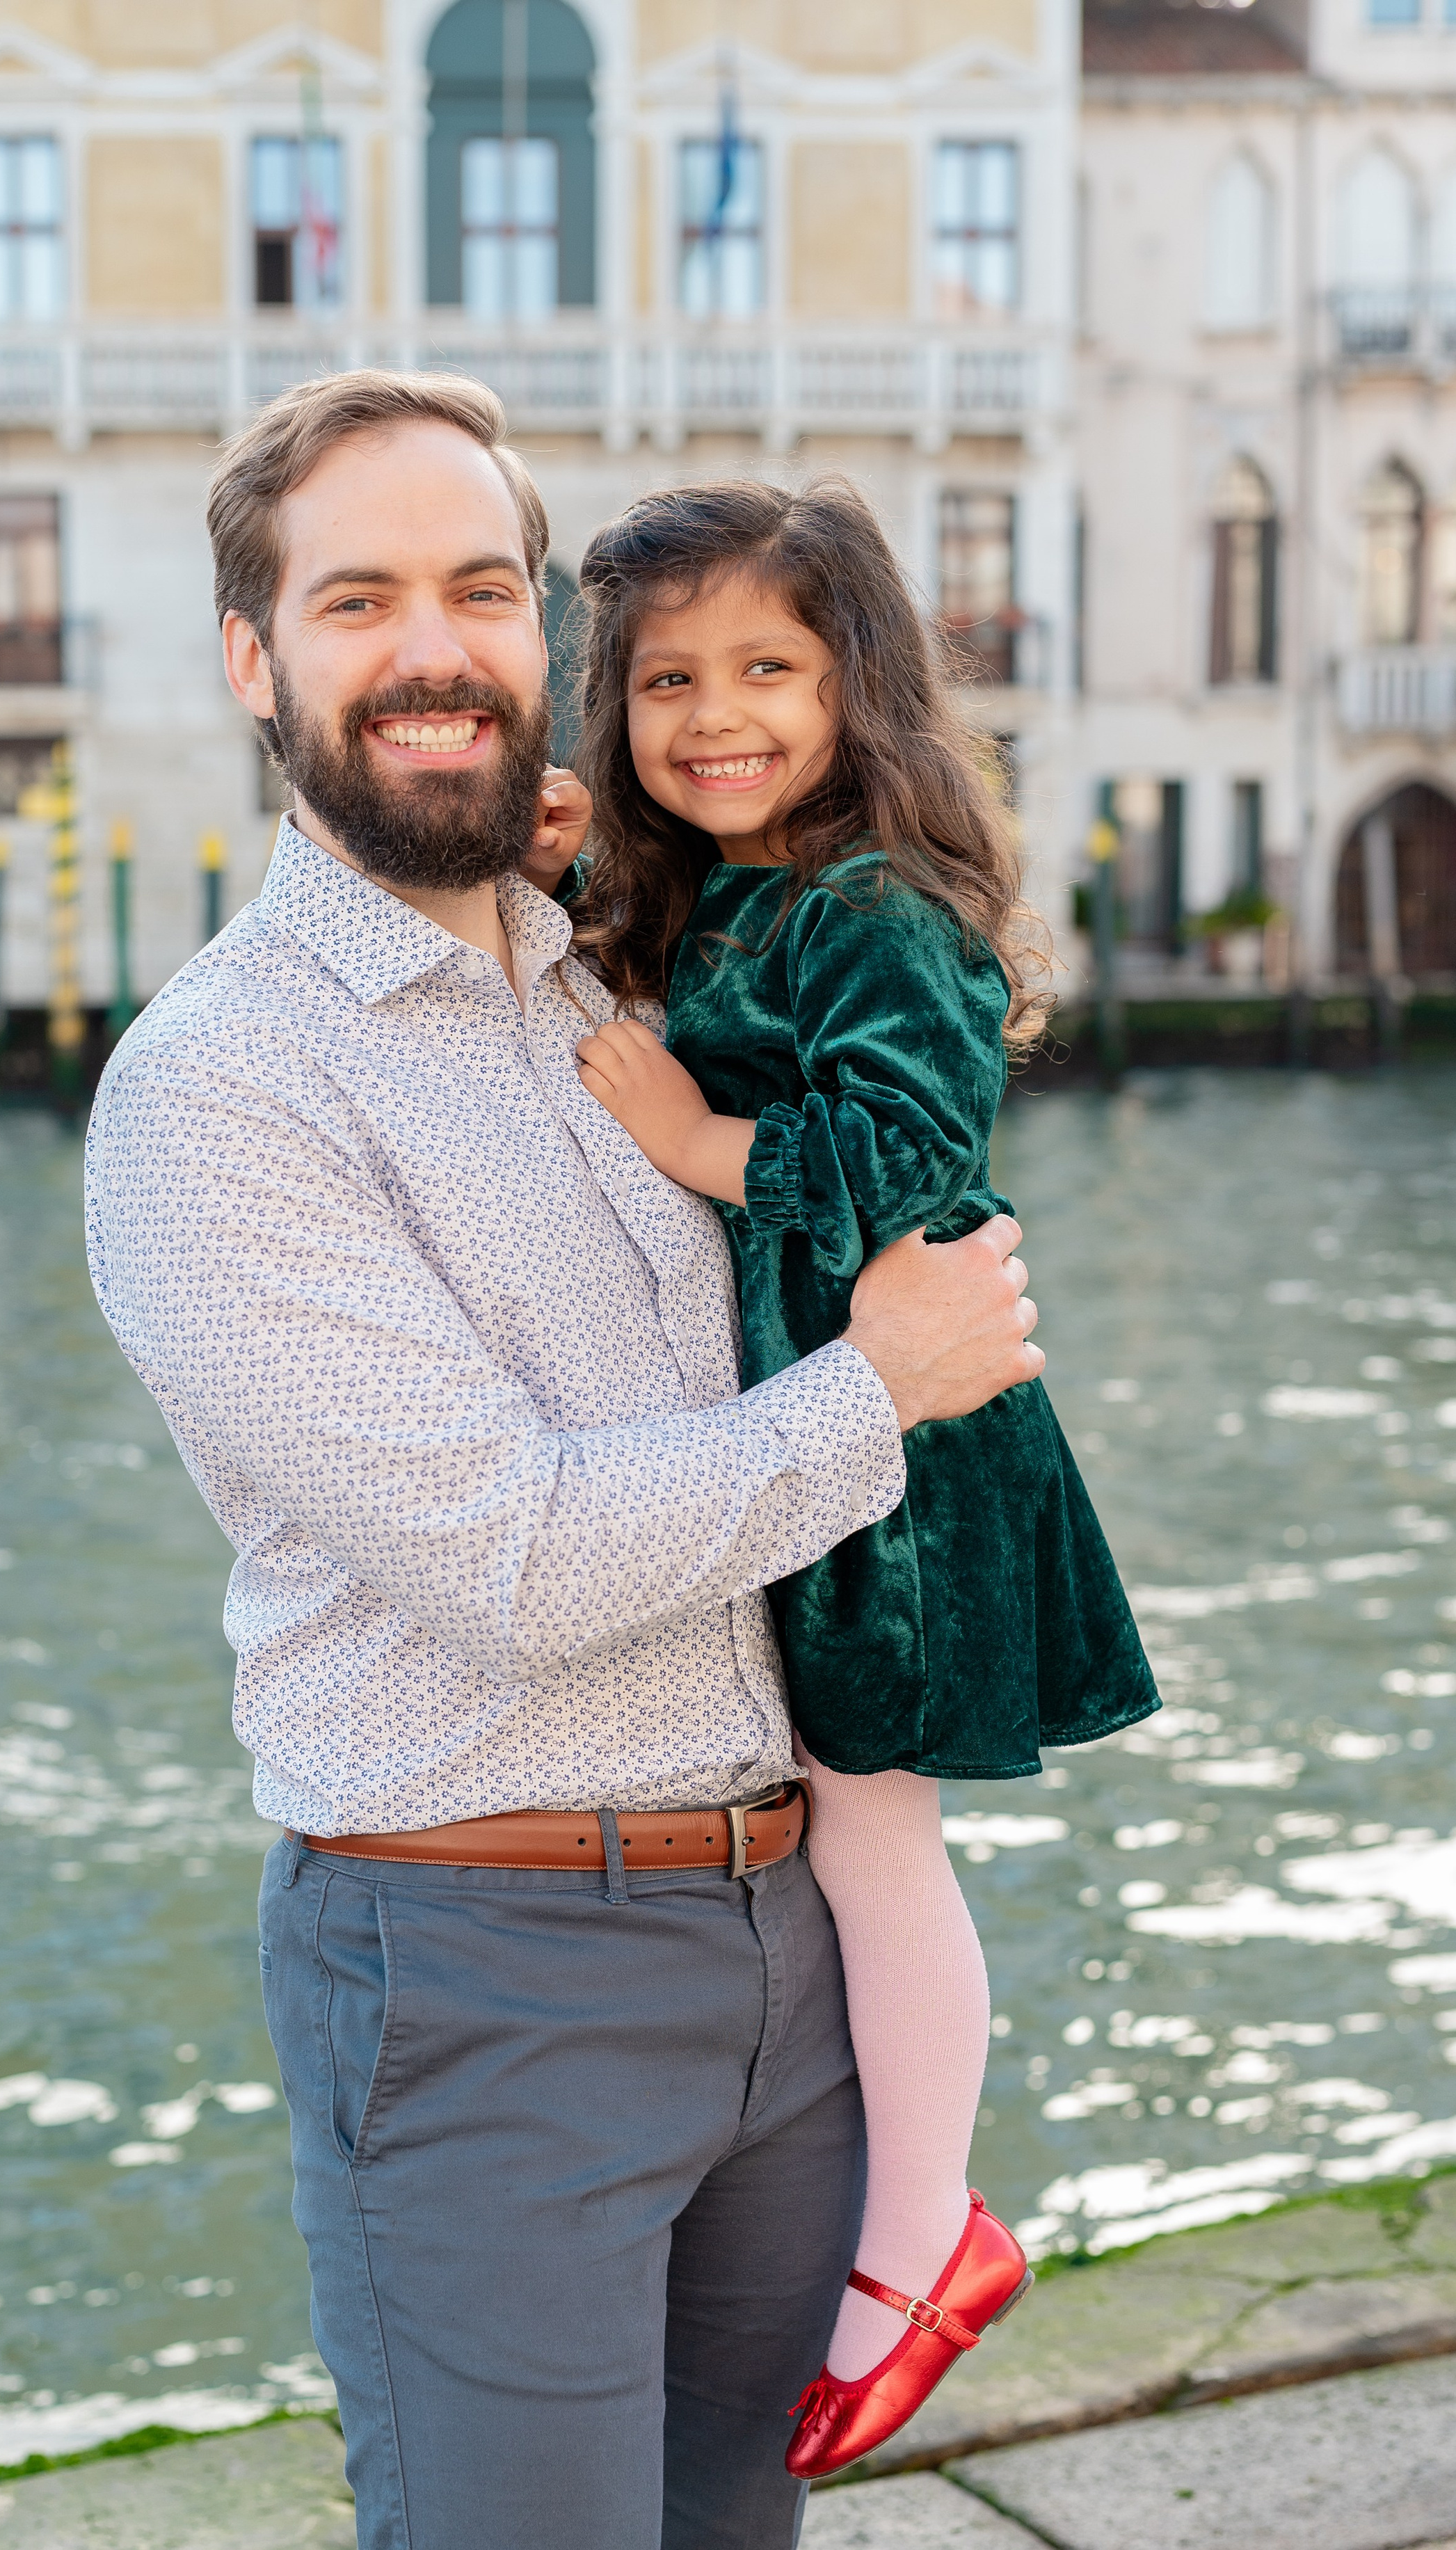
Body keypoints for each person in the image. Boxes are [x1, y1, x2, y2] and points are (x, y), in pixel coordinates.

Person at [83, 372, 1043, 2550]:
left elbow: (870, 1092)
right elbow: (505, 1559)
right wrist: (884, 1381)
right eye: (358, 598)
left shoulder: (622, 967)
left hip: (784, 1948)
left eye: (483, 588)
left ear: (543, 644)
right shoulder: (217, 1090)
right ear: (257, 657)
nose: (435, 646)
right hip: (483, 1976)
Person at [524, 476, 1159, 2480]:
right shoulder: (742, 892)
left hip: (910, 1458)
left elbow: (898, 1162)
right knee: (844, 1832)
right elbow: (688, 972)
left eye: (768, 670)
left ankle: (926, 2238)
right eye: (664, 682)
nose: (716, 714)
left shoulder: (884, 907)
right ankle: (882, 2220)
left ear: (855, 681)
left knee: (880, 1839)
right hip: (836, 1436)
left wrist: (683, 1136)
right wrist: (573, 875)